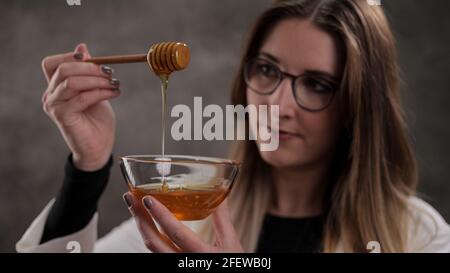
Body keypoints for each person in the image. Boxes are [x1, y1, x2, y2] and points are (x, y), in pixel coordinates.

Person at [17, 0, 450, 253]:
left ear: (361, 106)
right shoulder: (191, 213)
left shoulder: (419, 237)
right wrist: (89, 165)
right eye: (267, 70)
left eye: (317, 85)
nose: (276, 105)